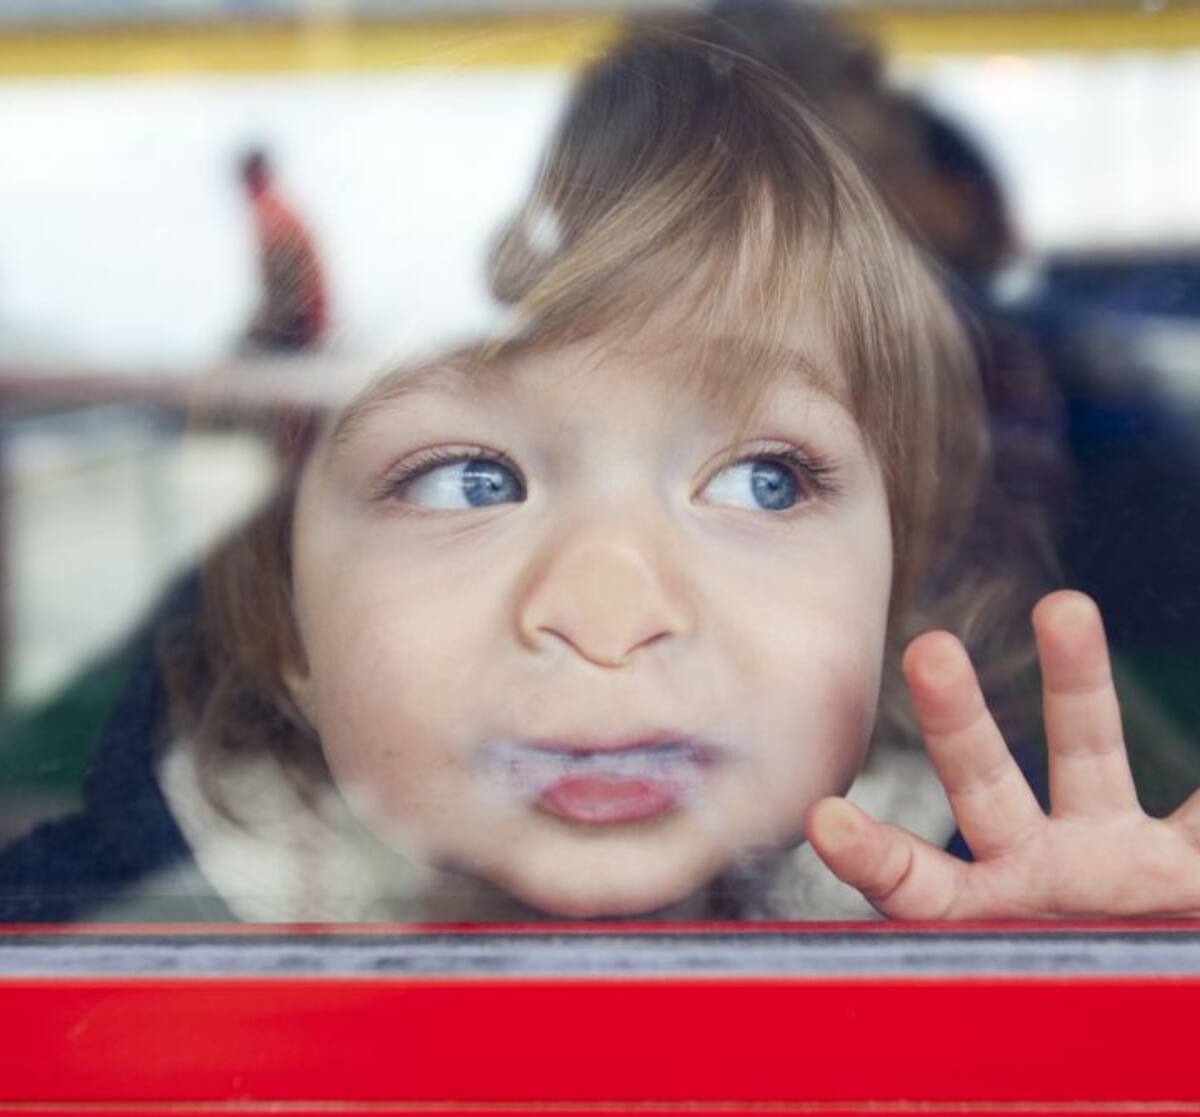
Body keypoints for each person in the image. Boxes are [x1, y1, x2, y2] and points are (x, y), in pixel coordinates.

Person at [3, 27, 1200, 923]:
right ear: (288, 623)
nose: (611, 617)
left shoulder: (997, 914)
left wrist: (1087, 992)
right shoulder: (84, 940)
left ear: (892, 599)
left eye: (763, 482)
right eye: (467, 480)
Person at [237, 147, 329, 354]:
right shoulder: (279, 212)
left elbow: (287, 296)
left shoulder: (273, 218)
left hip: (301, 329)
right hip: (305, 323)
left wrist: (261, 330)